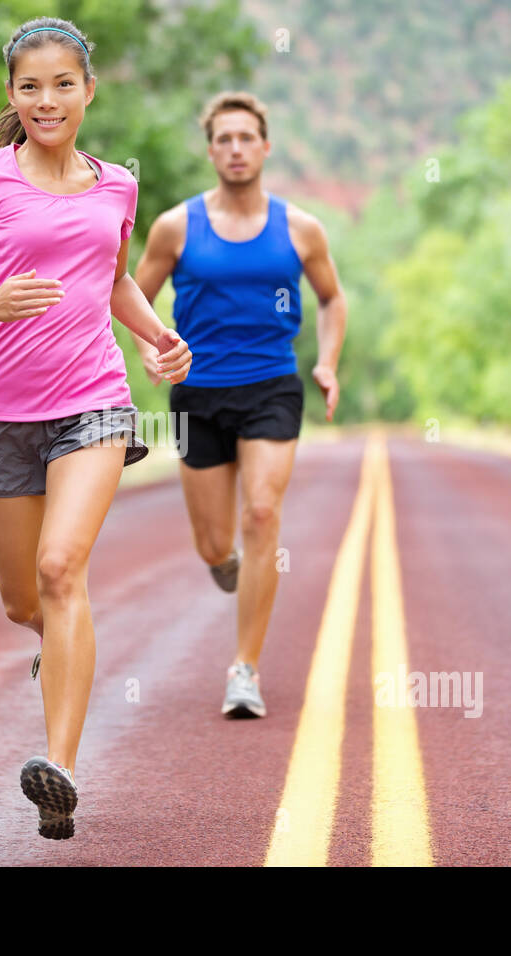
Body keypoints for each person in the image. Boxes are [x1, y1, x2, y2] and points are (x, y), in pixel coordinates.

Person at [0, 17, 191, 840]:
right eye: (30, 86)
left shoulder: (116, 186)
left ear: (88, 90)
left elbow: (112, 283)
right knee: (23, 599)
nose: (47, 99)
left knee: (64, 570)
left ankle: (58, 768)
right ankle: (59, 650)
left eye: (63, 83)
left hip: (93, 399)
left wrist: (158, 337)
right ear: (11, 95)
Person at [132, 91, 345, 719]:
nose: (235, 148)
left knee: (261, 514)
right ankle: (222, 562)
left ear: (265, 147)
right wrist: (150, 349)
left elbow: (333, 300)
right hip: (196, 393)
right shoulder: (176, 226)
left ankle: (244, 669)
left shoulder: (301, 229)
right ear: (211, 150)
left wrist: (326, 361)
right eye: (223, 138)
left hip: (272, 385)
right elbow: (130, 299)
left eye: (245, 137)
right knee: (213, 543)